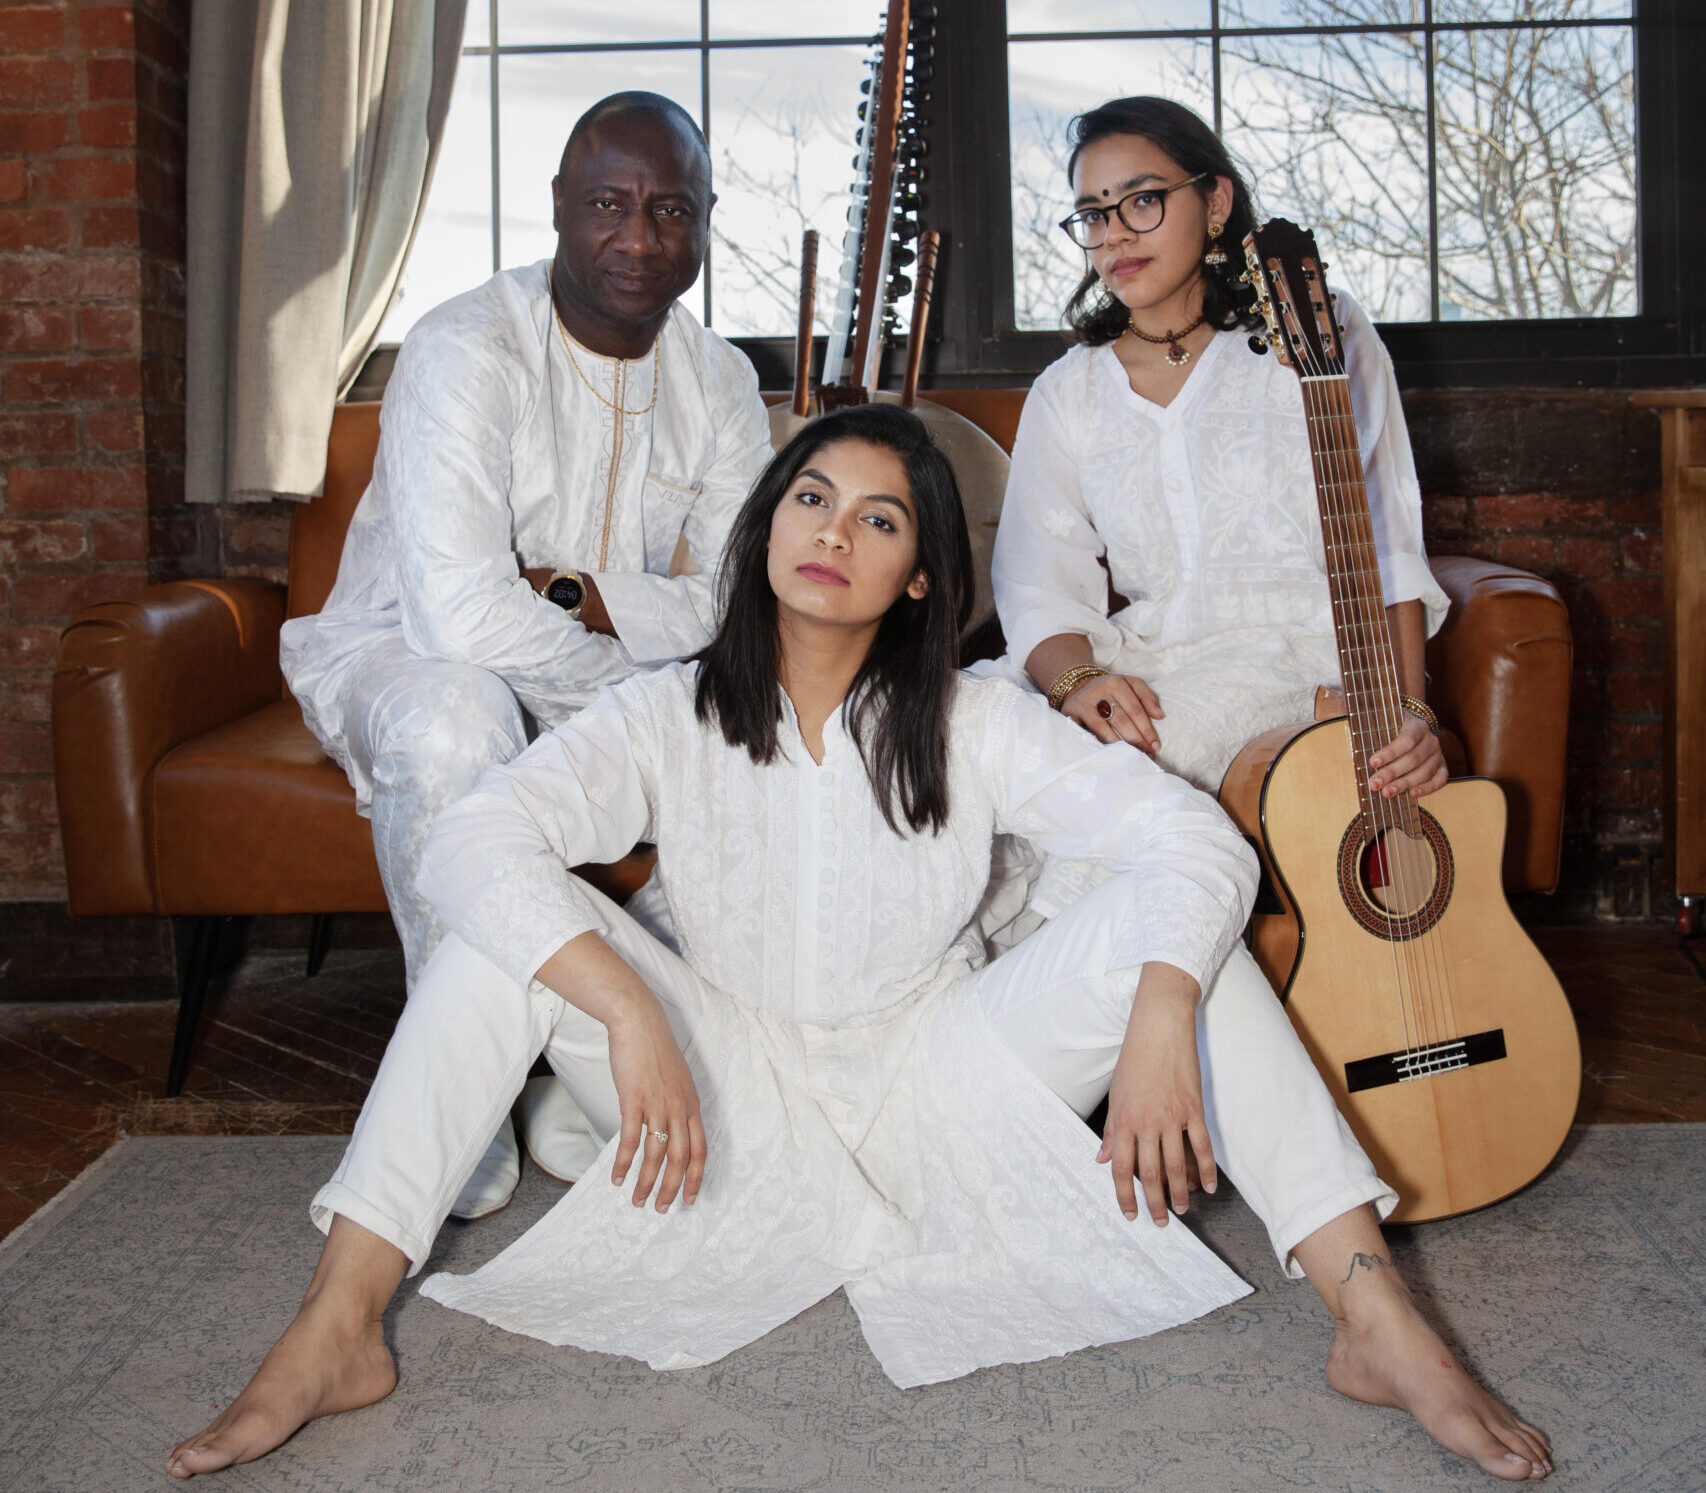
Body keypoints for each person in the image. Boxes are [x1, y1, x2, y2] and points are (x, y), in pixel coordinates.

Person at [169, 406, 1550, 1482]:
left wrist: (1158, 1005)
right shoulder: (666, 713)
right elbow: (471, 840)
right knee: (498, 937)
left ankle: (1376, 1319)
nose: (833, 529)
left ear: (916, 579)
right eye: (812, 497)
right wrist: (623, 1003)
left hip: (940, 1083)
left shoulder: (975, 717)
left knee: (1180, 929)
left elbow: (1197, 846)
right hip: (725, 1089)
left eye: (878, 517)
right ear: (768, 526)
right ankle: (339, 1322)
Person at [279, 92, 773, 1215]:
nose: (639, 239)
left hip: (603, 671)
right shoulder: (465, 346)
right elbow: (457, 615)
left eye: (670, 210)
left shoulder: (722, 381)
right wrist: (637, 680)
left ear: (703, 223)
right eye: (608, 203)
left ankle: (567, 1046)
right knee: (462, 718)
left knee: (750, 743)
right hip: (398, 653)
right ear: (556, 206)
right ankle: (461, 1091)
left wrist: (596, 602)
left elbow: (740, 596)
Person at [991, 96, 1449, 809]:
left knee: (1113, 774)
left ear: (1215, 200)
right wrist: (1083, 687)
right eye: (1093, 214)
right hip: (1144, 664)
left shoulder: (1322, 333)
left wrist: (1407, 715)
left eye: (1142, 200)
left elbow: (1386, 540)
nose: (1115, 234)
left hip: (1293, 663)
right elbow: (1036, 587)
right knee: (965, 731)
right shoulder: (1068, 391)